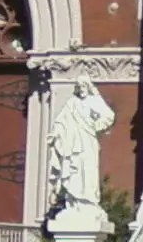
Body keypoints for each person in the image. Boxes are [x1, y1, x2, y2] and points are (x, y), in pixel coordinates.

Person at [47, 75, 116, 213]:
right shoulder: (72, 103)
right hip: (73, 142)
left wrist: (96, 126)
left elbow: (109, 116)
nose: (81, 89)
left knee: (88, 169)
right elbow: (61, 121)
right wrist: (55, 133)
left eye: (83, 86)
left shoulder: (94, 100)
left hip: (88, 141)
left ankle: (89, 201)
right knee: (74, 170)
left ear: (88, 87)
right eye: (79, 86)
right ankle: (73, 202)